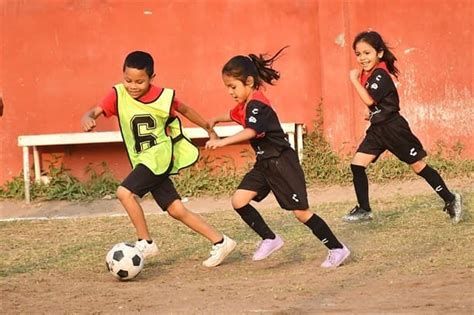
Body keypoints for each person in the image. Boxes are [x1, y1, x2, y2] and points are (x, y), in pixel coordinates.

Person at [81, 51, 236, 267]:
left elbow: (186, 110)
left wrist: (209, 130)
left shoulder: (164, 98)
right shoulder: (117, 94)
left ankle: (145, 241)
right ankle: (221, 241)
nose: (133, 86)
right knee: (175, 209)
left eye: (139, 82)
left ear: (152, 78)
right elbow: (95, 111)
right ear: (122, 76)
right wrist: (87, 117)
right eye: (128, 80)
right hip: (143, 160)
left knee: (124, 193)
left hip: (158, 156)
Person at [205, 47, 350, 268]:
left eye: (233, 86)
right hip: (265, 163)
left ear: (250, 82)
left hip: (282, 162)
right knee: (239, 201)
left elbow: (251, 131)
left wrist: (222, 141)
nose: (230, 92)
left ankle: (337, 248)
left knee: (300, 213)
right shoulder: (246, 105)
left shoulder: (257, 104)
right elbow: (235, 114)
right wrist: (216, 119)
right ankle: (270, 238)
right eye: (227, 88)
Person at [344, 30, 462, 223]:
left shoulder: (380, 74)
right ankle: (364, 209)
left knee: (418, 167)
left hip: (393, 129)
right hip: (378, 130)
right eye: (358, 54)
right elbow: (377, 104)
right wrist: (373, 113)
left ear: (379, 53)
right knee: (357, 165)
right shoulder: (371, 74)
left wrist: (353, 80)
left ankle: (451, 198)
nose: (362, 58)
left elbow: (368, 99)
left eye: (367, 53)